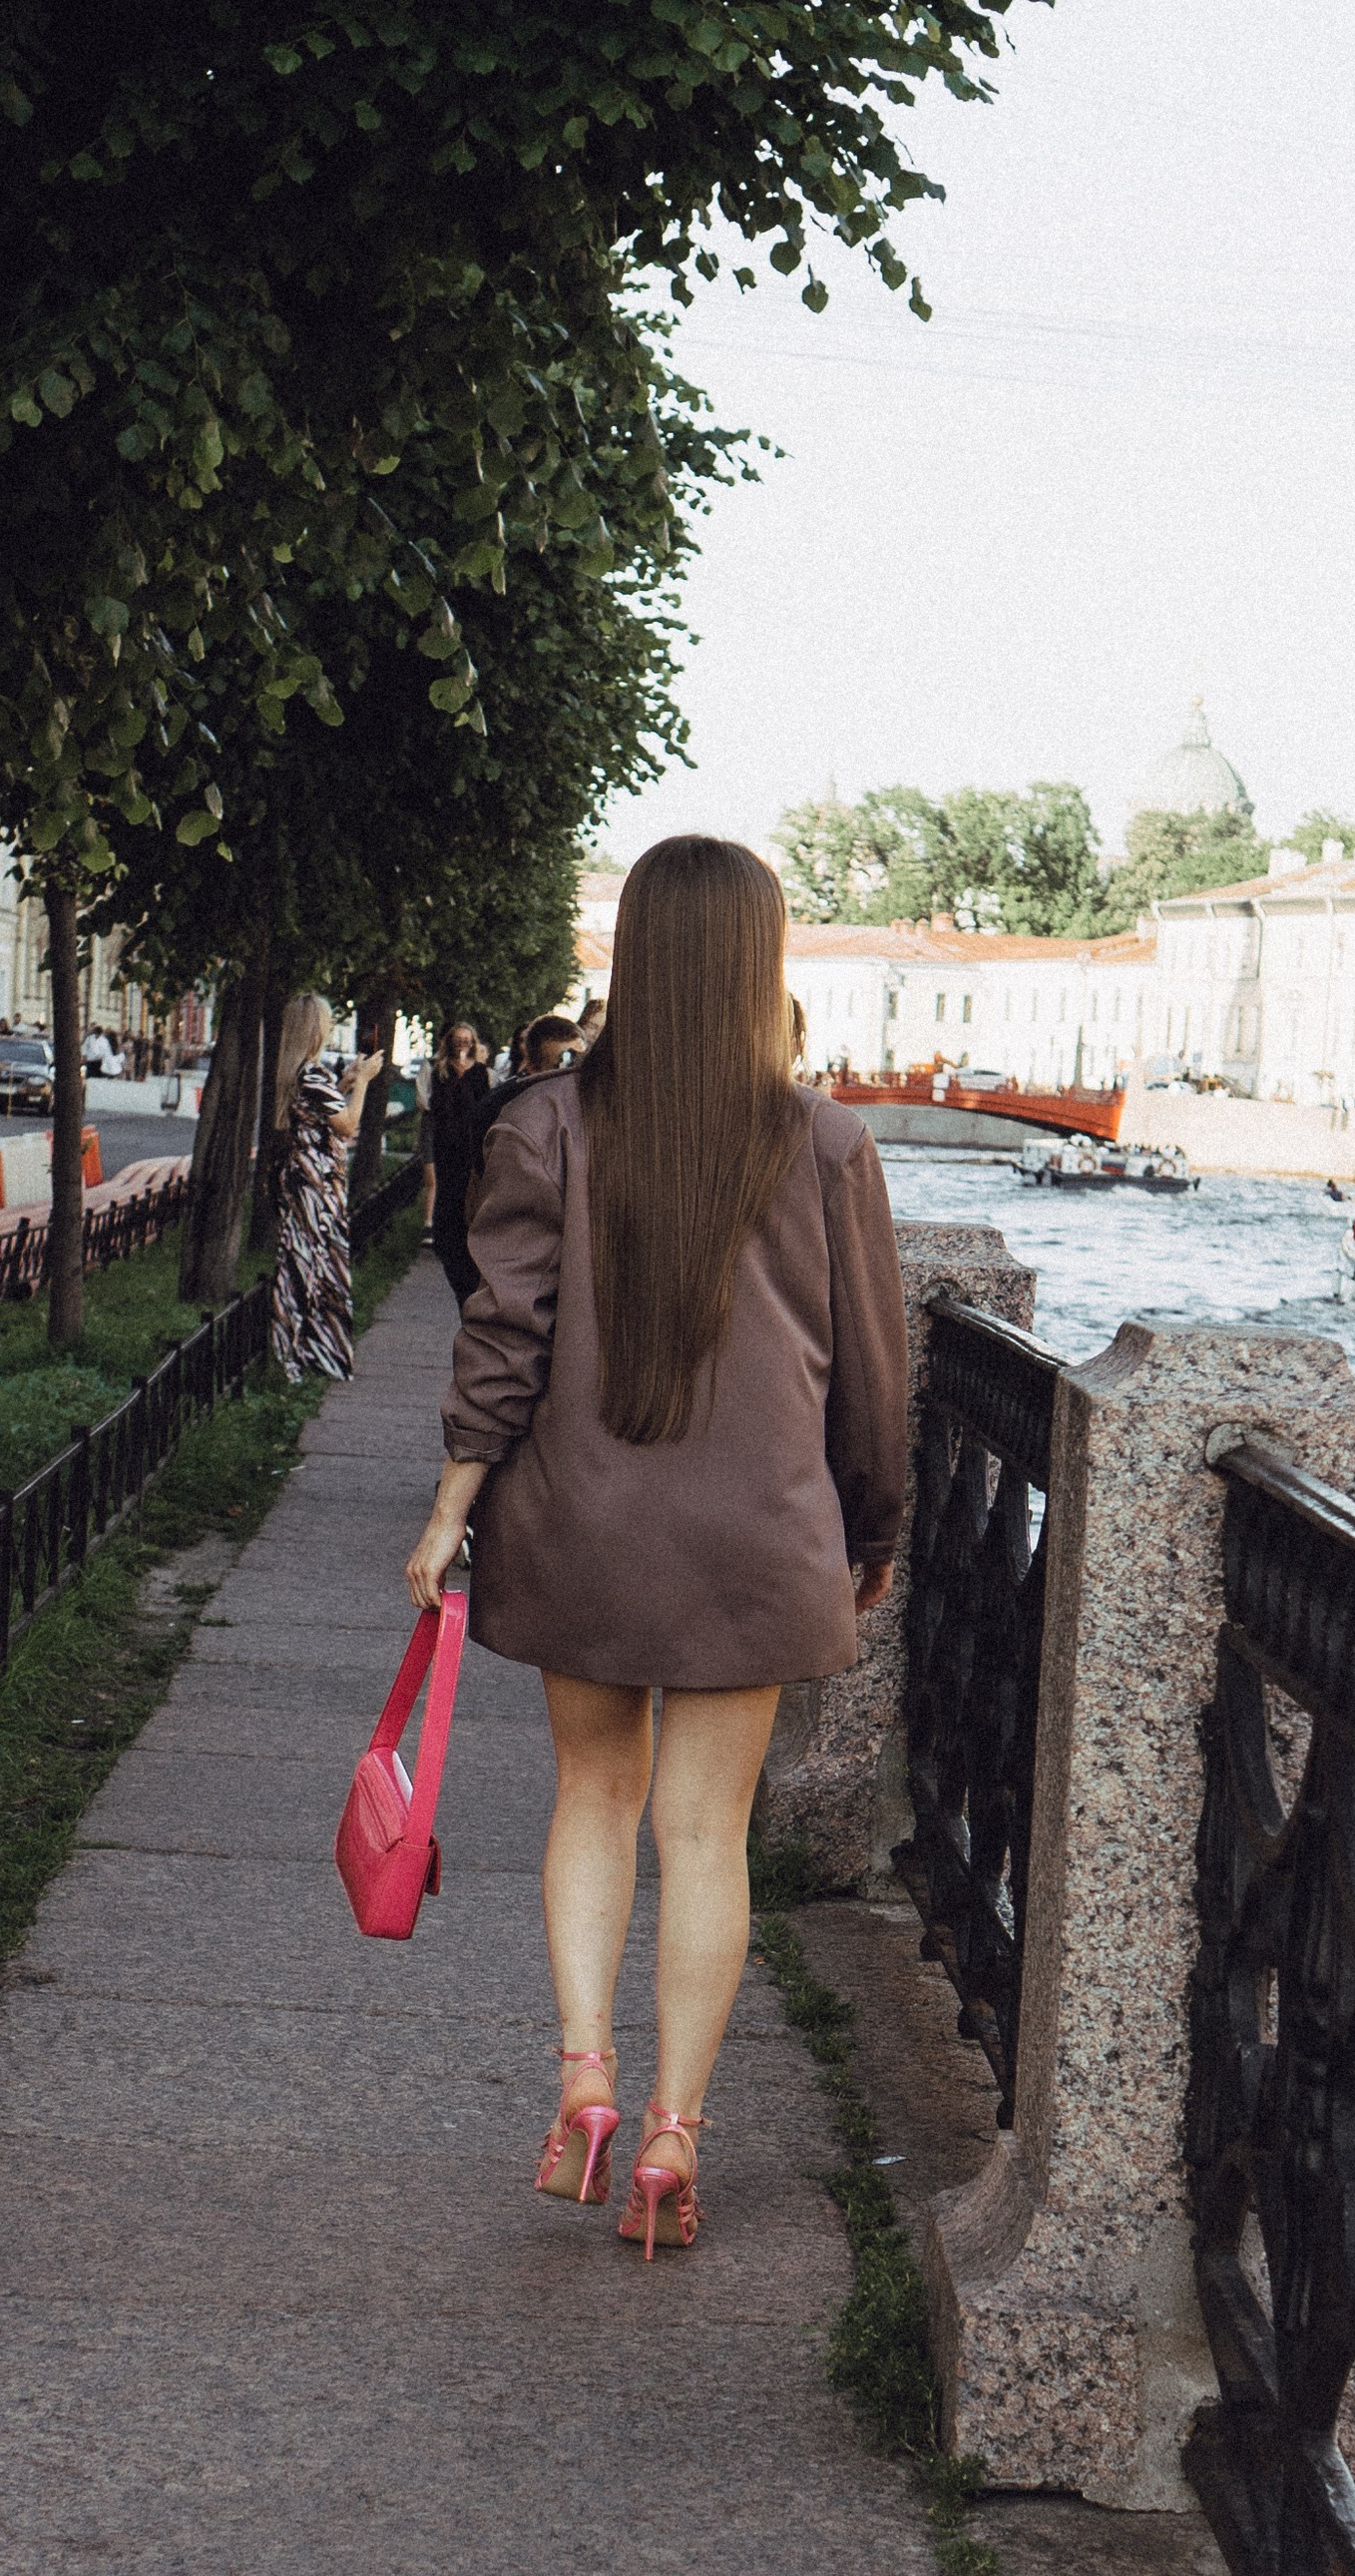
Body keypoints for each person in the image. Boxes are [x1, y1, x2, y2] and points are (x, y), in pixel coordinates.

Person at [402, 836, 907, 2260]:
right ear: (763, 963)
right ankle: (677, 2136)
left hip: (583, 1526)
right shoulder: (826, 1144)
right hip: (755, 1539)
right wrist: (870, 1529)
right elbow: (874, 1377)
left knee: (592, 1799)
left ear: (633, 952)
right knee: (704, 1835)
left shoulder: (546, 1123)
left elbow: (501, 1334)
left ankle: (584, 2075)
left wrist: (454, 1503)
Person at [270, 996, 381, 1382]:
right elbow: (348, 1125)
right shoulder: (311, 1075)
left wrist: (346, 1082)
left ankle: (304, 1352)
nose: (331, 1028)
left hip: (305, 1177)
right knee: (311, 1264)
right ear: (315, 1028)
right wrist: (363, 1083)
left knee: (305, 1261)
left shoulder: (302, 1072)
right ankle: (303, 1356)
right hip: (316, 1182)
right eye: (327, 1022)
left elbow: (320, 1113)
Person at [423, 1021, 494, 1306]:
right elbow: (430, 1105)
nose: (462, 1043)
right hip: (445, 1139)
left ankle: (466, 1234)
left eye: (467, 1039)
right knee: (445, 1186)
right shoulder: (440, 1070)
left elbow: (486, 1105)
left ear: (473, 1043)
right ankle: (444, 1235)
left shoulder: (481, 1073)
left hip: (470, 1140)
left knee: (467, 1185)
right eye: (458, 1039)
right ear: (450, 1042)